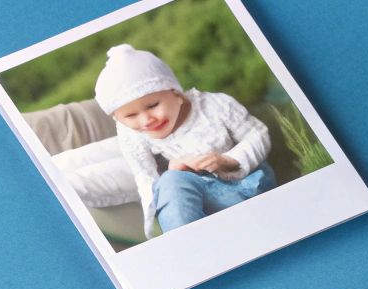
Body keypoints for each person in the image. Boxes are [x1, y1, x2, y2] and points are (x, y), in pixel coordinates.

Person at [94, 43, 274, 238]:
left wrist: (228, 160)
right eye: (130, 116)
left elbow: (258, 134)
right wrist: (175, 171)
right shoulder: (131, 133)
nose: (146, 120)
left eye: (153, 105)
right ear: (118, 119)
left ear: (176, 93)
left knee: (173, 182)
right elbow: (145, 176)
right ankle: (187, 241)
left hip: (245, 187)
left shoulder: (214, 105)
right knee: (171, 180)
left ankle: (194, 239)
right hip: (196, 200)